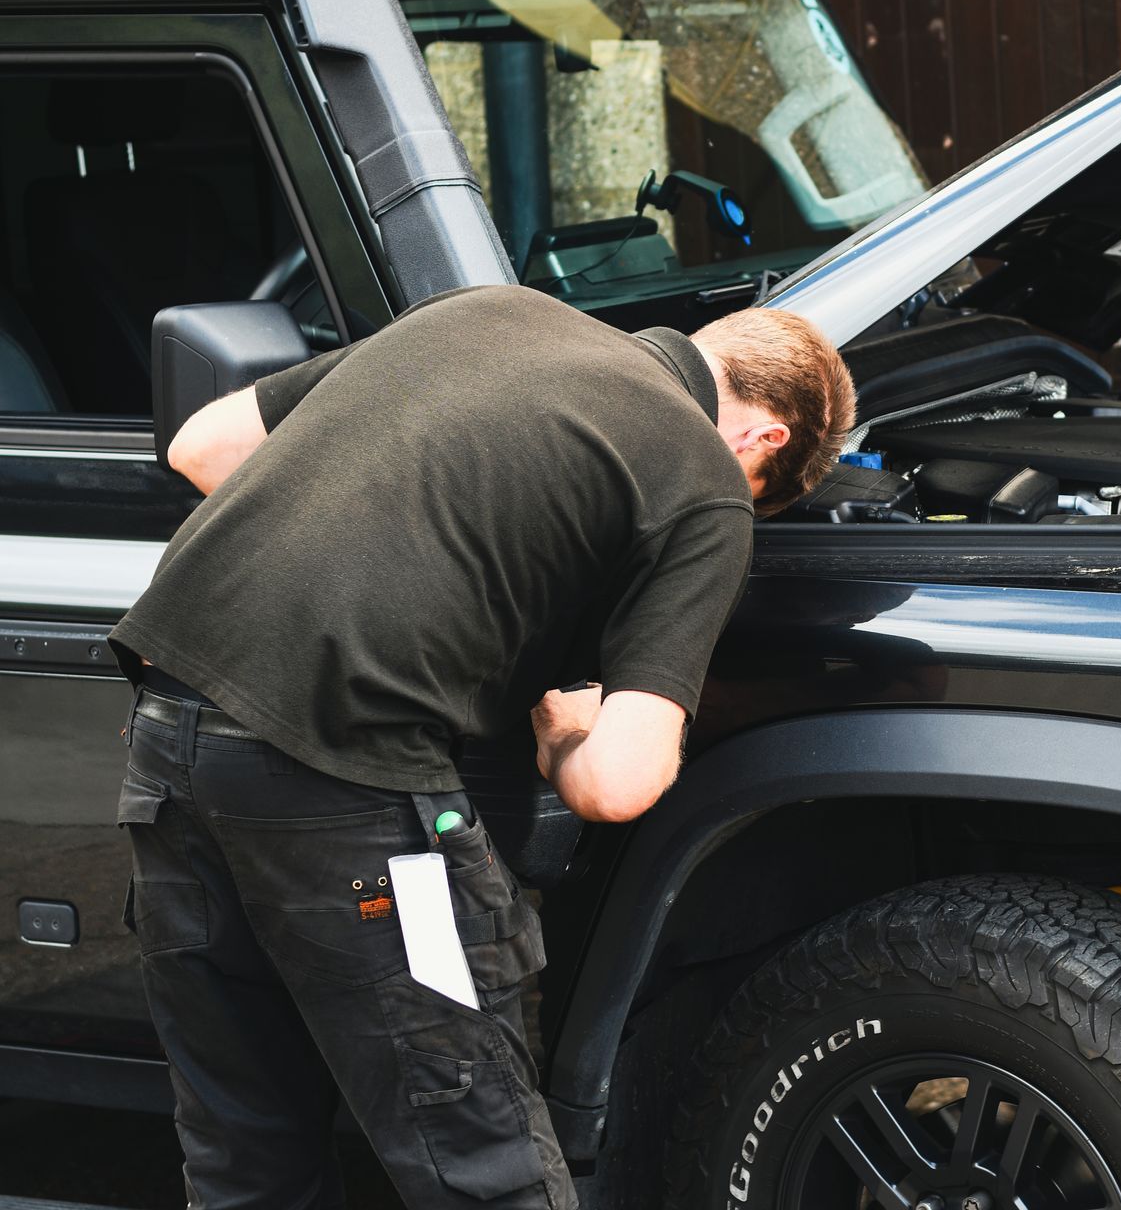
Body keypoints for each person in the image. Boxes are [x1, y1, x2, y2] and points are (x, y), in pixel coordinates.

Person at [107, 284, 855, 1208]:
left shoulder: (486, 311)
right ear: (763, 442)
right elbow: (617, 785)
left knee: (244, 1156)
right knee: (480, 1155)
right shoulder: (704, 479)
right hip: (347, 781)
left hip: (168, 739)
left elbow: (204, 445)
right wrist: (560, 732)